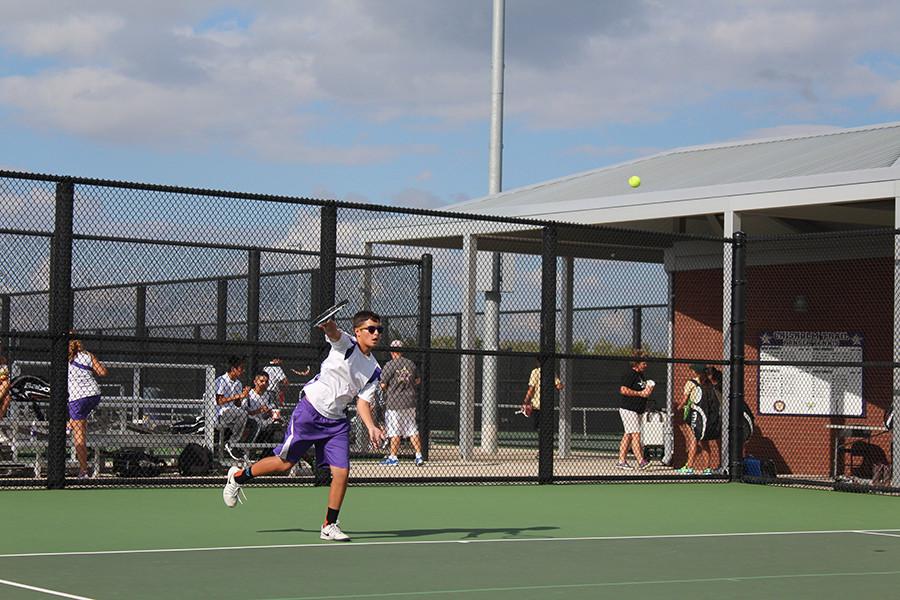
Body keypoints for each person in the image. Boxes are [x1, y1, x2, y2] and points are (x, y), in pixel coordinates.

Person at [222, 310, 385, 542]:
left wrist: (371, 426)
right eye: (371, 329)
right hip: (309, 412)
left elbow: (363, 402)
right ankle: (238, 477)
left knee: (342, 472)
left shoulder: (375, 370)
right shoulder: (346, 344)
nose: (376, 333)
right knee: (283, 464)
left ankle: (329, 525)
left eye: (379, 329)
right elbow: (333, 332)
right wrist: (327, 324)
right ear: (358, 332)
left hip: (337, 422)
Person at [67, 338, 108, 478]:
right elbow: (102, 372)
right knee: (79, 425)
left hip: (77, 399)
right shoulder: (88, 355)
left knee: (79, 436)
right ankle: (70, 423)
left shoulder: (62, 356)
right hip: (94, 395)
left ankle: (83, 470)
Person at [379, 340, 423, 466]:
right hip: (410, 401)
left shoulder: (390, 365)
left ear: (392, 351)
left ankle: (393, 457)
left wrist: (392, 389)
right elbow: (418, 380)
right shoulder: (410, 364)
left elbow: (383, 384)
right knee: (412, 429)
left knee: (394, 430)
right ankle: (419, 455)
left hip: (394, 402)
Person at [617, 351, 653, 470]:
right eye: (643, 363)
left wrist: (647, 391)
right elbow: (623, 390)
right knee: (636, 434)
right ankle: (641, 461)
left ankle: (621, 461)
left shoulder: (641, 375)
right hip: (628, 409)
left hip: (638, 410)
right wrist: (640, 393)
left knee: (628, 435)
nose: (646, 365)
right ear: (636, 363)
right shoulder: (630, 374)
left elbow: (643, 394)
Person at [214, 356, 250, 460]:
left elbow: (237, 404)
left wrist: (243, 395)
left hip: (233, 413)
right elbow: (219, 401)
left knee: (245, 415)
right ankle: (231, 443)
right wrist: (237, 396)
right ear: (233, 369)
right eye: (241, 368)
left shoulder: (238, 383)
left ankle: (231, 443)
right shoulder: (221, 381)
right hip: (220, 414)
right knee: (243, 414)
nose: (243, 371)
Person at [520, 357, 563, 434]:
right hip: (548, 405)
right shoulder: (550, 372)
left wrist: (525, 401)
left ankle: (541, 438)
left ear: (537, 362)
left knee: (538, 427)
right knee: (546, 427)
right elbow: (559, 386)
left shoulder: (535, 372)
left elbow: (531, 388)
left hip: (537, 405)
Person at [677, 363, 706, 474]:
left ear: (695, 372)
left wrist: (678, 409)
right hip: (704, 414)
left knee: (692, 439)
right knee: (704, 440)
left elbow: (684, 400)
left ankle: (689, 466)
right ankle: (707, 468)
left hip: (693, 413)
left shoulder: (690, 383)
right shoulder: (707, 383)